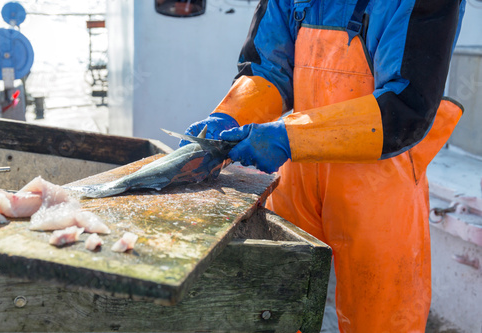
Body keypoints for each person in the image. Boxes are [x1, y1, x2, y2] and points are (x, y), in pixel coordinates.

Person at [181, 0, 466, 331]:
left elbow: (404, 109)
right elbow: (267, 69)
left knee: (381, 322)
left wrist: (287, 137)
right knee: (276, 315)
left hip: (378, 188)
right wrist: (228, 117)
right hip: (297, 175)